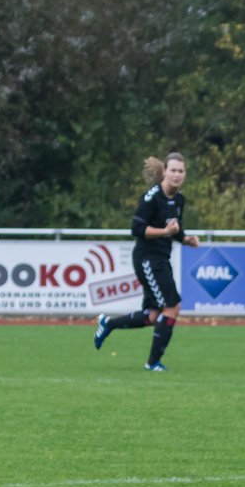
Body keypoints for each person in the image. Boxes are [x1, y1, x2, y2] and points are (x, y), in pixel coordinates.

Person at [93, 153, 200, 370]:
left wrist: (185, 239)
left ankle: (109, 323)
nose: (177, 175)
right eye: (173, 170)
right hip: (147, 259)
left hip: (161, 258)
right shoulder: (151, 198)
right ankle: (153, 363)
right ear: (164, 172)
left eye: (181, 171)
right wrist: (165, 232)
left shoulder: (179, 199)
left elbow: (174, 228)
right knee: (173, 307)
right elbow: (136, 229)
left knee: (153, 316)